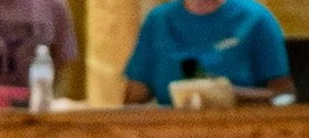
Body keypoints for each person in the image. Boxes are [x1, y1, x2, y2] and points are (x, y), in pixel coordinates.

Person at [121, 0, 293, 103]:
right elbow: (136, 95)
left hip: (241, 134)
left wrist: (228, 95)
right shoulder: (158, 20)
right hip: (169, 136)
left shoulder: (256, 19)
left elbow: (285, 97)